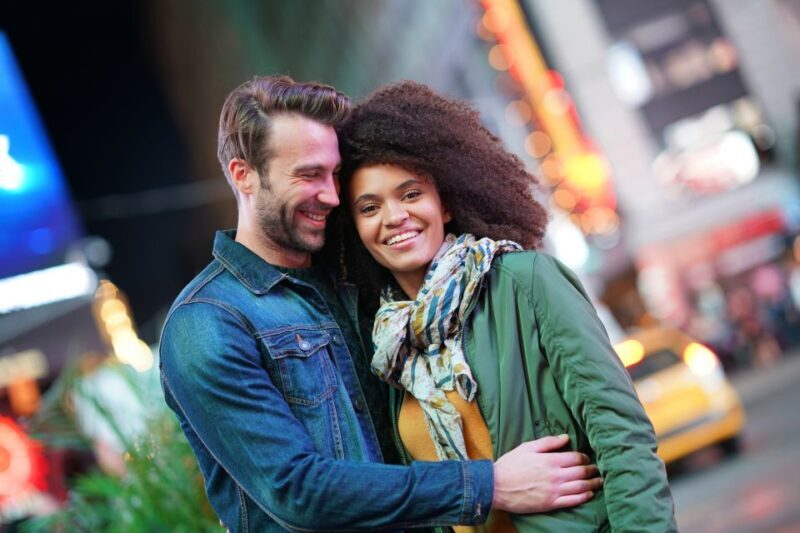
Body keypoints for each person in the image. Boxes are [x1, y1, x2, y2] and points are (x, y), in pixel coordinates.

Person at [159, 75, 603, 532]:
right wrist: (490, 484)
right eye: (309, 175)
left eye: (334, 175)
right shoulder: (206, 323)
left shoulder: (357, 282)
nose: (331, 196)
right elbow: (295, 489)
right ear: (243, 175)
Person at [333, 80, 677, 531]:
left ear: (446, 202)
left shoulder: (527, 282)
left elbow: (622, 436)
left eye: (411, 193)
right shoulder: (386, 349)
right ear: (355, 228)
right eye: (369, 207)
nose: (395, 216)